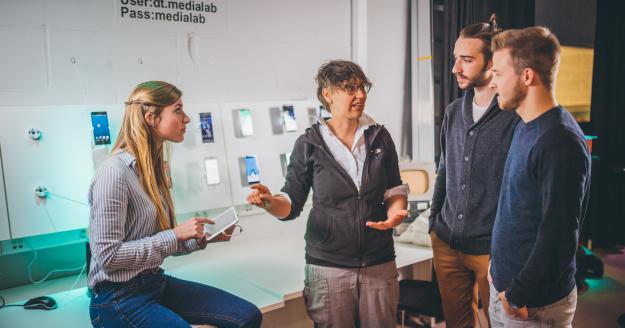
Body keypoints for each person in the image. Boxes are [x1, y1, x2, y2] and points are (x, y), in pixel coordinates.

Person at [246, 60, 409, 327]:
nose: (360, 95)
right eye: (350, 88)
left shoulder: (380, 136)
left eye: (363, 87)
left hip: (379, 262)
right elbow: (290, 203)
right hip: (329, 267)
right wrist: (269, 202)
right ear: (328, 94)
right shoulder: (309, 144)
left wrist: (395, 214)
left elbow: (394, 188)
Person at [88, 81, 262, 328]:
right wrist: (174, 234)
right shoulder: (114, 173)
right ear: (151, 117)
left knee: (247, 317)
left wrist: (200, 239)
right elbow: (109, 256)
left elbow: (157, 243)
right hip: (117, 299)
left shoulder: (152, 171)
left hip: (154, 283)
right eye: (178, 110)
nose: (187, 118)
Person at [488, 27, 591, 327]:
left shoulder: (560, 141)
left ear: (527, 76)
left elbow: (558, 238)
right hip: (510, 291)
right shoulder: (526, 124)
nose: (493, 83)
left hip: (533, 305)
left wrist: (519, 294)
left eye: (498, 73)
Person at [428, 14, 518, 327]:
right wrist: (433, 223)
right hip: (446, 242)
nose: (455, 68)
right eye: (455, 59)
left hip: (492, 249)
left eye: (466, 60)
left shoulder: (515, 117)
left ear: (493, 63)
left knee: (499, 322)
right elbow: (444, 170)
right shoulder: (453, 112)